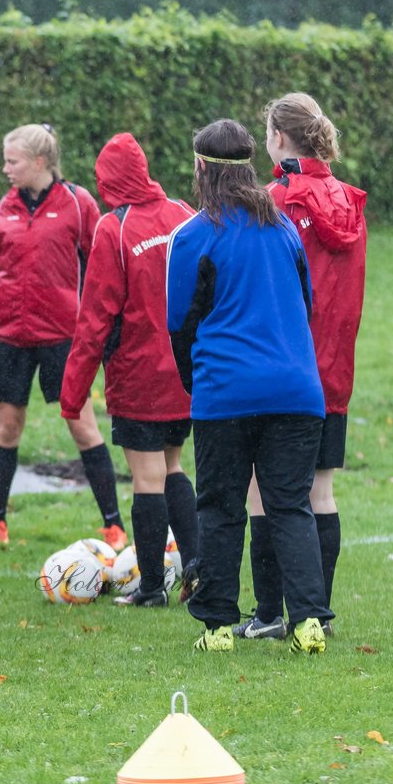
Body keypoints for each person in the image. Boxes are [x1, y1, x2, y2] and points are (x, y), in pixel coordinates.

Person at [166, 118, 332, 653]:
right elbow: (305, 307)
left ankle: (217, 628)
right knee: (290, 506)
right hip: (297, 391)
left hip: (227, 392)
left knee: (220, 509)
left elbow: (179, 323)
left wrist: (200, 386)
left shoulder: (193, 236)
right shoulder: (283, 229)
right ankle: (308, 622)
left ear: (200, 168)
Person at [234, 94, 367, 640]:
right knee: (320, 491)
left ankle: (269, 614)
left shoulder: (276, 200)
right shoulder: (350, 200)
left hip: (283, 365)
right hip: (333, 368)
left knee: (264, 493)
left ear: (279, 139)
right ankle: (314, 614)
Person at [59, 133, 198, 608]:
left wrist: (72, 393)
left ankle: (153, 587)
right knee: (173, 464)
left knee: (146, 477)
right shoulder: (184, 214)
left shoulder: (114, 229)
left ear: (110, 182)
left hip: (139, 376)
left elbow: (94, 318)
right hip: (186, 374)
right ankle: (198, 570)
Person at [0, 123, 123, 548]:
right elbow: (0, 256)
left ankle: (113, 524)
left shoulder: (79, 204)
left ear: (39, 162)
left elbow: (100, 265)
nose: (6, 169)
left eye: (13, 161)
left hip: (63, 335)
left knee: (82, 425)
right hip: (10, 333)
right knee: (8, 426)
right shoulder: (6, 205)